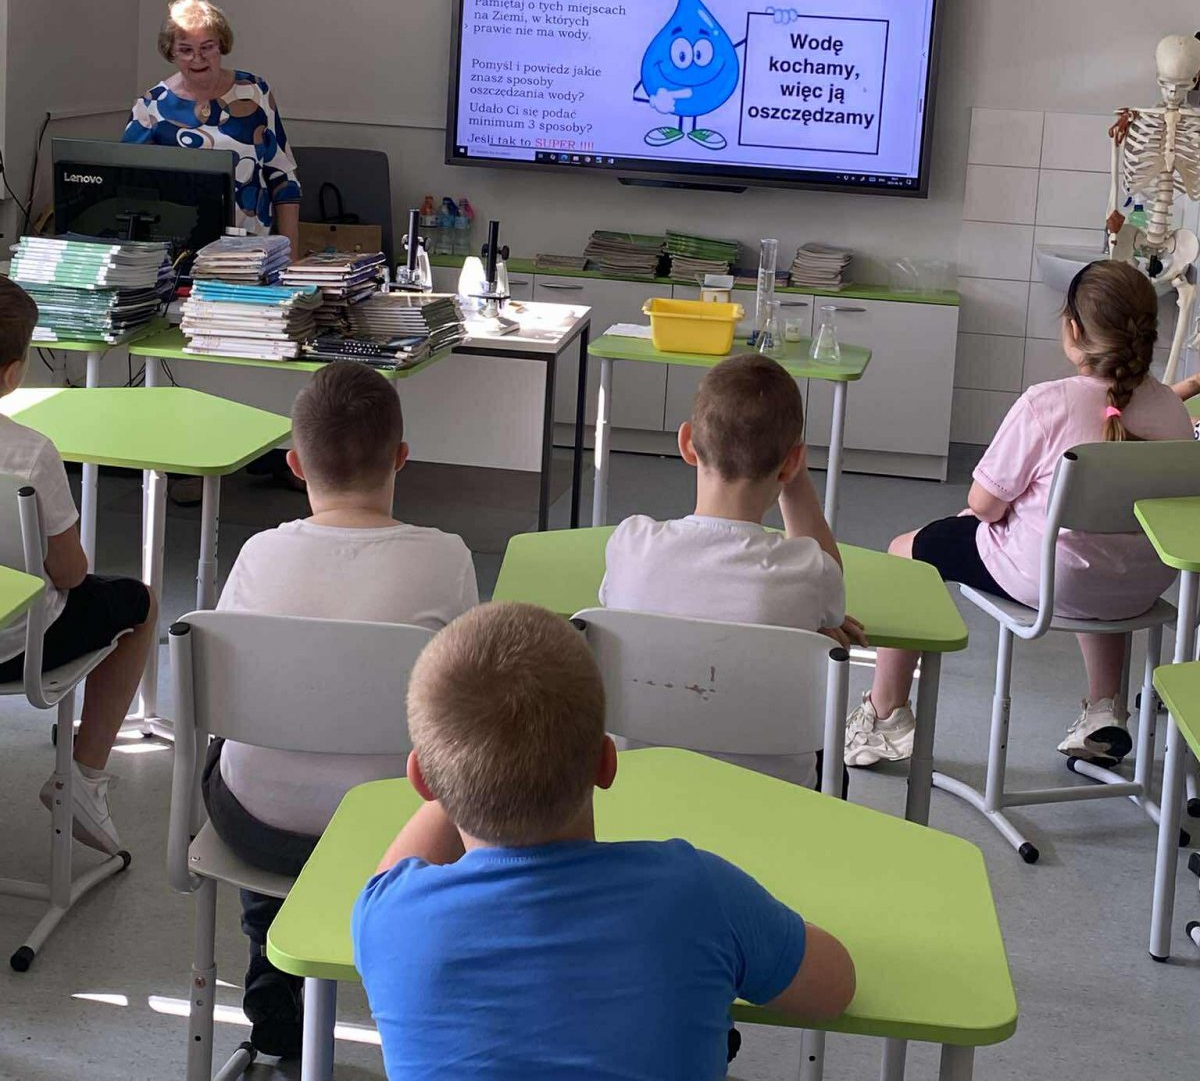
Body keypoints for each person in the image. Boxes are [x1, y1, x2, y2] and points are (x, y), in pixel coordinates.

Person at [353, 602, 856, 1081]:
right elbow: (834, 988)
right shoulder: (698, 892)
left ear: (421, 781)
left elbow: (386, 878)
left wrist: (458, 777)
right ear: (607, 763)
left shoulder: (390, 921)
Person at [202, 361, 477, 1061]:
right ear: (401, 457)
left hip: (257, 829)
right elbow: (462, 707)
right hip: (390, 835)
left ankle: (269, 954)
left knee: (246, 748)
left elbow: (224, 696)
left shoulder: (259, 553)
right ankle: (412, 984)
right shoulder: (445, 558)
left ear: (295, 464)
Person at [846, 259, 1193, 772]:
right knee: (1095, 549)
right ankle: (1104, 708)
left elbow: (985, 505)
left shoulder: (1046, 404)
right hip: (1140, 588)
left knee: (906, 550)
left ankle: (883, 715)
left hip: (1052, 581)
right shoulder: (1173, 410)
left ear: (1072, 329)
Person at [599, 354, 862, 788]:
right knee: (835, 764)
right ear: (792, 462)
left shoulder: (630, 543)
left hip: (641, 784)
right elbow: (830, 583)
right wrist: (793, 477)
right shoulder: (808, 571)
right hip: (772, 796)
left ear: (687, 443)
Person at [0, 278, 156, 854]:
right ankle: (83, 777)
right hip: (16, 645)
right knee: (139, 603)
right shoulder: (28, 452)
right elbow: (67, 573)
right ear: (13, 373)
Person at [123, 0, 301, 256]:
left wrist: (290, 256)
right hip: (177, 254)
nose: (198, 58)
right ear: (171, 52)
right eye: (186, 50)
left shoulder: (254, 92)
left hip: (252, 252)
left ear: (221, 45)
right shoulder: (151, 106)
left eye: (207, 47)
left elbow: (283, 177)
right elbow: (126, 190)